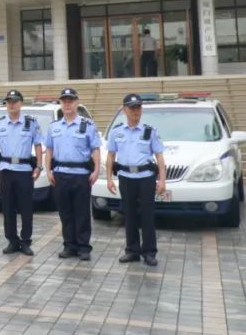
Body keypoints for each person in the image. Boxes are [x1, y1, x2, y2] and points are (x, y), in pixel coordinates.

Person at [106, 93, 167, 266]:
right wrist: (109, 179)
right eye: (132, 108)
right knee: (129, 215)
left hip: (146, 178)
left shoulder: (149, 131)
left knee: (147, 215)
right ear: (124, 110)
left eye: (138, 107)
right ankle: (132, 250)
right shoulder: (117, 131)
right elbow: (110, 156)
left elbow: (159, 157)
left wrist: (162, 180)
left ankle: (149, 251)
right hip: (126, 178)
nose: (135, 111)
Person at [43, 87, 101, 261]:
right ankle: (69, 246)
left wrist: (97, 169)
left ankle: (84, 247)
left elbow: (95, 149)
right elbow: (49, 150)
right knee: (65, 213)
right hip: (60, 174)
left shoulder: (87, 125)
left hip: (81, 175)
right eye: (64, 101)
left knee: (82, 213)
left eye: (70, 101)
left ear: (77, 103)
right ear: (61, 103)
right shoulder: (54, 127)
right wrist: (48, 170)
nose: (67, 104)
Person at [0, 89, 43, 256]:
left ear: (21, 103)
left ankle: (26, 241)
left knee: (26, 207)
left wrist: (39, 166)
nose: (11, 104)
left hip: (24, 170)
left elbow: (38, 145)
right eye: (9, 101)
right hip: (6, 170)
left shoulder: (31, 122)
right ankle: (12, 241)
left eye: (14, 101)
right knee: (8, 207)